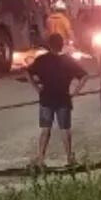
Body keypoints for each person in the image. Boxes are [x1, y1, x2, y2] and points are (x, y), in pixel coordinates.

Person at [27, 33, 89, 168]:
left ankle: (41, 159)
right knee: (65, 129)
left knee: (45, 130)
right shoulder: (67, 60)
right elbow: (84, 76)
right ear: (61, 45)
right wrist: (74, 93)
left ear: (49, 45)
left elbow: (28, 72)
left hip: (46, 99)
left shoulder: (42, 60)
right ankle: (69, 158)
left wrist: (37, 88)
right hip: (63, 98)